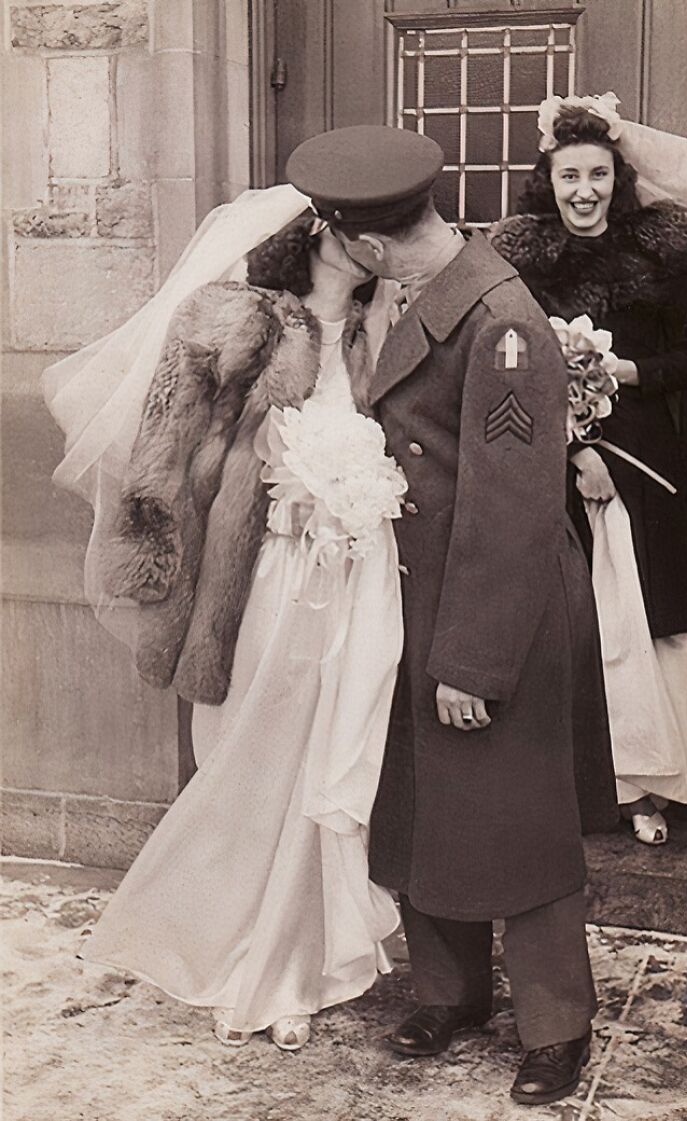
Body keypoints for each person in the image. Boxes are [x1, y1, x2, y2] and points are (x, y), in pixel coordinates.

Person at [287, 125, 618, 1107]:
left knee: (518, 822)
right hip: (415, 595)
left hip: (491, 605)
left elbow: (511, 509)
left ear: (373, 241)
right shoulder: (420, 291)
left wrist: (472, 660)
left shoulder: (499, 320)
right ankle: (452, 991)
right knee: (427, 809)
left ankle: (558, 1024)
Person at [43, 184, 406, 1051]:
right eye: (366, 228)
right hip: (258, 577)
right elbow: (163, 441)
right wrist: (161, 559)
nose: (381, 243)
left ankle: (291, 963)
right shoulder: (238, 319)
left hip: (355, 576)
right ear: (325, 231)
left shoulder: (377, 328)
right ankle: (228, 942)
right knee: (249, 753)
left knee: (322, 763)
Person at [491, 94, 687, 845]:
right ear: (548, 180)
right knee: (589, 625)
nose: (584, 191)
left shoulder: (664, 255)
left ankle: (665, 781)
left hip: (651, 462)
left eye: (598, 175)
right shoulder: (519, 263)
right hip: (555, 464)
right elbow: (506, 372)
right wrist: (576, 447)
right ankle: (605, 786)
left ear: (619, 178)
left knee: (658, 621)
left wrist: (622, 370)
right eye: (570, 175)